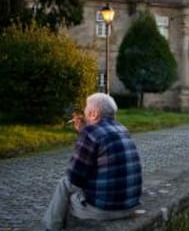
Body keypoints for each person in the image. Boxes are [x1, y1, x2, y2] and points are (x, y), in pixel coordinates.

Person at [43, 93, 142, 231]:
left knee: (64, 185)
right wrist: (84, 131)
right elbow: (100, 140)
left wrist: (85, 133)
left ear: (94, 113)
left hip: (105, 210)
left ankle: (50, 227)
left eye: (85, 108)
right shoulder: (122, 129)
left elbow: (75, 178)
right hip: (129, 206)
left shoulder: (90, 133)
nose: (83, 112)